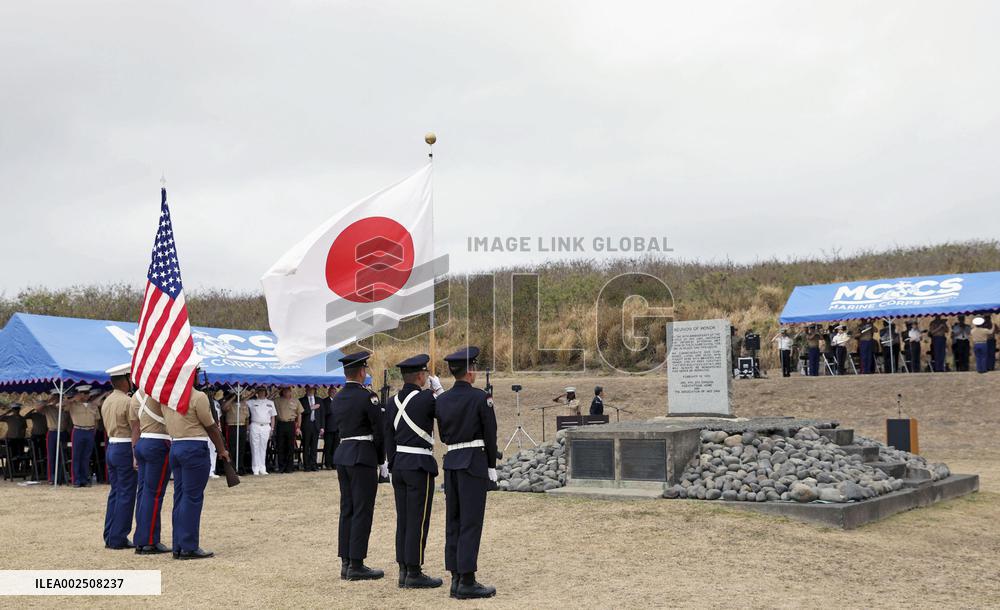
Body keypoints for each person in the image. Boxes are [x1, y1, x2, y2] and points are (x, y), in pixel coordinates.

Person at [436, 346, 498, 600]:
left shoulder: (441, 400)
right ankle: (467, 581)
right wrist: (491, 466)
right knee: (471, 522)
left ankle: (456, 578)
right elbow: (490, 434)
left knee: (454, 521)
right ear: (470, 370)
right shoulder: (481, 398)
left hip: (451, 461)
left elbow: (443, 435)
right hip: (473, 463)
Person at [385, 353, 443, 589]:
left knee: (404, 519)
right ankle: (414, 571)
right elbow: (448, 411)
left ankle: (403, 569)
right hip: (418, 464)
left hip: (399, 464)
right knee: (418, 520)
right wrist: (438, 390)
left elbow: (389, 437)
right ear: (421, 376)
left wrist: (391, 465)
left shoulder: (391, 402)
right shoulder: (427, 398)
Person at [162, 371, 231, 559]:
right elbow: (211, 426)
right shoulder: (198, 396)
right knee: (192, 498)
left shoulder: (167, 397)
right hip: (194, 447)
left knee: (180, 496)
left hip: (176, 446)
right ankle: (189, 546)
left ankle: (178, 545)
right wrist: (221, 449)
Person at [331, 351, 385, 581]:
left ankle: (346, 561)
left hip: (343, 453)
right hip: (362, 455)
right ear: (362, 371)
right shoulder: (367, 397)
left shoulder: (337, 397)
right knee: (362, 509)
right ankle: (356, 564)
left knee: (348, 509)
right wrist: (382, 460)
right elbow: (379, 431)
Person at [129, 386, 172, 555]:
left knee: (144, 493)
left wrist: (134, 452)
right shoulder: (159, 392)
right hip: (158, 443)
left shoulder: (135, 396)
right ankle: (149, 541)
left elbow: (135, 427)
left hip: (142, 443)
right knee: (154, 494)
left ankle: (141, 538)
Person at [101, 364, 137, 550]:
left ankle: (110, 534)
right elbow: (134, 428)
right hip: (125, 447)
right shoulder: (128, 401)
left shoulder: (107, 400)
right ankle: (118, 537)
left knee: (115, 492)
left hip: (112, 445)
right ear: (126, 380)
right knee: (126, 493)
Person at [67, 385, 100, 487]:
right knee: (76, 456)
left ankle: (84, 479)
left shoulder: (93, 405)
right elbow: (60, 405)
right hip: (78, 430)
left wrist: (93, 432)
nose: (86, 395)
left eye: (87, 393)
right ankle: (76, 480)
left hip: (90, 431)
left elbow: (96, 420)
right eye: (84, 393)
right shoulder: (73, 405)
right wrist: (74, 398)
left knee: (86, 457)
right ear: (79, 394)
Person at [37, 393, 69, 484]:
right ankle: (52, 477)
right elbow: (38, 408)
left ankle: (61, 477)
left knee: (62, 456)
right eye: (56, 397)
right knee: (52, 456)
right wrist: (49, 400)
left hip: (63, 432)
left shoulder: (65, 408)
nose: (58, 399)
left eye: (59, 397)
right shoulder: (48, 408)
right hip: (53, 432)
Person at [245, 387, 276, 476]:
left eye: (263, 391)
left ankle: (262, 468)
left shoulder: (270, 403)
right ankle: (255, 468)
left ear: (265, 392)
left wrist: (272, 429)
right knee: (254, 447)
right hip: (255, 425)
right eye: (259, 391)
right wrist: (251, 394)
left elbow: (273, 417)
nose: (261, 393)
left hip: (266, 426)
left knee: (263, 447)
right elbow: (243, 401)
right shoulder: (252, 402)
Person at [274, 387, 303, 473]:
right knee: (280, 446)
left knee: (290, 446)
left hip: (291, 424)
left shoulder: (296, 401)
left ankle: (289, 467)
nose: (286, 392)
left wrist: (298, 427)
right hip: (281, 424)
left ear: (290, 392)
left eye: (288, 391)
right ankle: (281, 467)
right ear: (282, 391)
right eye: (284, 391)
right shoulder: (277, 400)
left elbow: (299, 414)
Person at [221, 392, 250, 475]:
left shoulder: (244, 403)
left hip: (242, 426)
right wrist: (233, 398)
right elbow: (224, 408)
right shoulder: (228, 403)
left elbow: (247, 417)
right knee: (232, 448)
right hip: (232, 426)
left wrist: (247, 429)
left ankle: (240, 467)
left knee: (241, 448)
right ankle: (232, 467)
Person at [299, 386, 326, 472]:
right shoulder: (302, 400)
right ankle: (306, 466)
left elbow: (322, 414)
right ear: (306, 390)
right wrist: (312, 408)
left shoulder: (319, 400)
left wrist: (322, 427)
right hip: (306, 426)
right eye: (309, 389)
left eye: (312, 389)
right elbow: (302, 412)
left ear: (315, 390)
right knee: (306, 446)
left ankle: (313, 465)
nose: (310, 391)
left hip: (316, 425)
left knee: (314, 447)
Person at [322, 385, 340, 470]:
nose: (334, 393)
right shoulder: (325, 401)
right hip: (328, 428)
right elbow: (324, 413)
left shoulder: (339, 401)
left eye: (335, 392)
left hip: (337, 428)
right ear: (328, 392)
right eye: (332, 392)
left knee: (336, 447)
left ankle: (334, 463)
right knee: (328, 447)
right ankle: (328, 464)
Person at [206, 389, 223, 479]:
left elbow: (218, 418)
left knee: (213, 450)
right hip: (206, 429)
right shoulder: (203, 402)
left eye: (212, 392)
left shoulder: (216, 403)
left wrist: (219, 429)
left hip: (215, 428)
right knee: (206, 449)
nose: (211, 393)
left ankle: (212, 470)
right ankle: (206, 470)